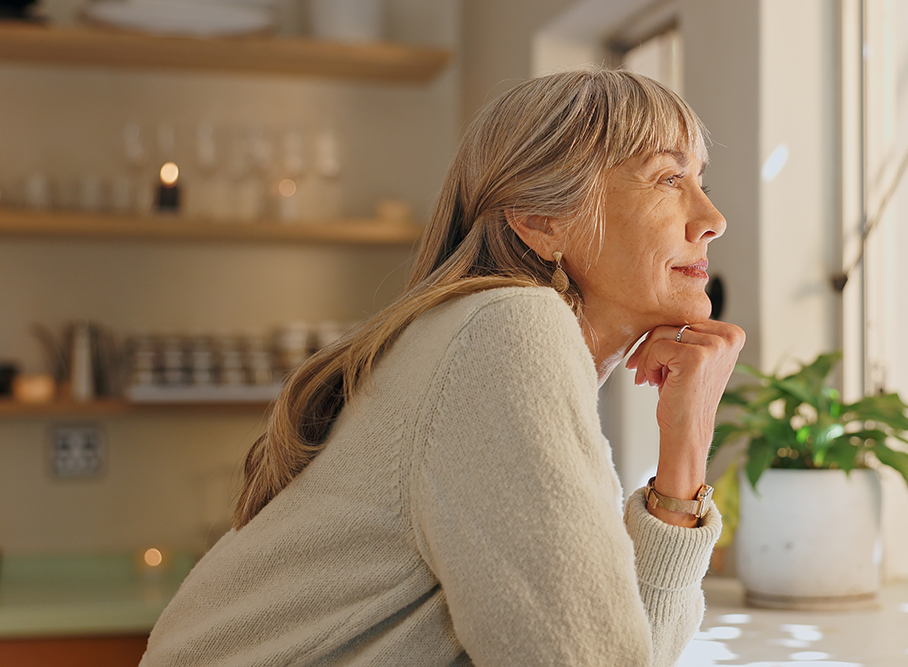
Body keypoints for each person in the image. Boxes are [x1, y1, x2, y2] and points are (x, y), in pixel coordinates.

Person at [140, 66, 745, 667]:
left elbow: (628, 648)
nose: (712, 217)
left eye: (700, 180)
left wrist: (685, 445)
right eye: (668, 178)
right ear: (540, 222)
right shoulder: (508, 326)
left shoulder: (488, 334)